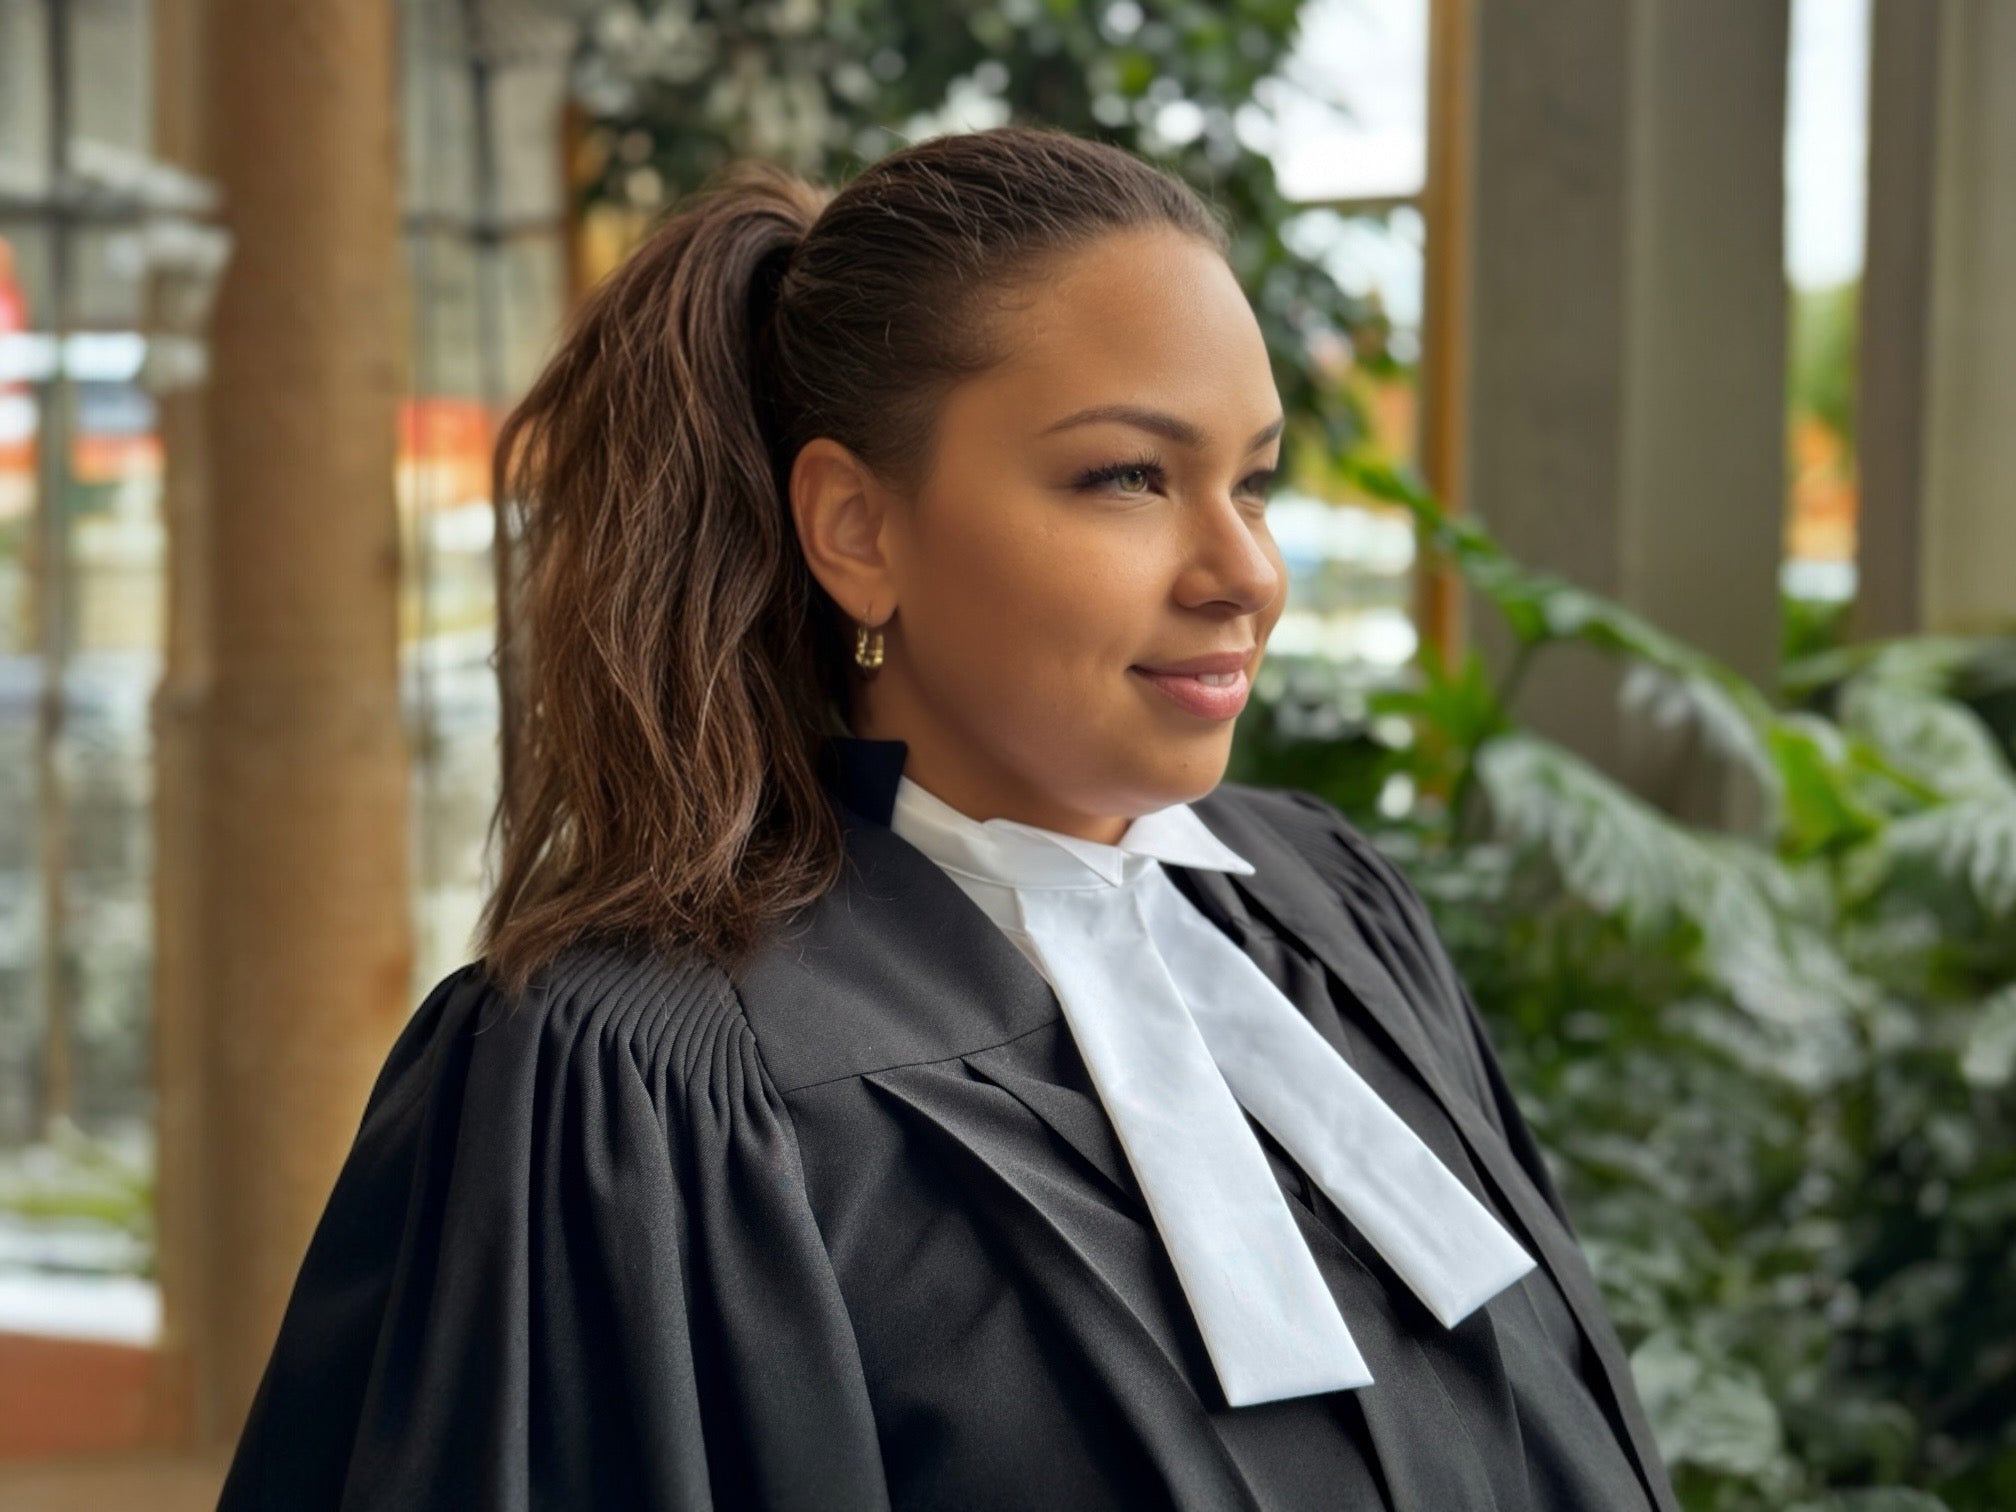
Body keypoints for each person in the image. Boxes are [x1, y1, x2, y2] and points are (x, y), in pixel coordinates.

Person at [215, 124, 1681, 1511]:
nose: (1243, 570)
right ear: (857, 530)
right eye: (1128, 477)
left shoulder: (1329, 913)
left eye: (1253, 479)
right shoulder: (641, 1089)